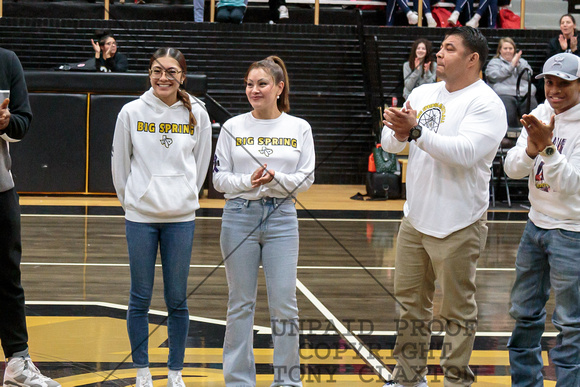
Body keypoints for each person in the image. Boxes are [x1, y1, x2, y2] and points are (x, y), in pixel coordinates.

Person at [381, 26, 506, 386]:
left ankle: (455, 379)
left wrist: (415, 130)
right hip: (415, 220)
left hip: (459, 222)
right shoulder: (422, 92)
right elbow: (391, 144)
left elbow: (464, 154)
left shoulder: (486, 103)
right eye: (440, 48)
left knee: (456, 312)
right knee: (410, 307)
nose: (439, 54)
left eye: (449, 49)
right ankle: (407, 376)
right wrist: (398, 130)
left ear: (472, 59)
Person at [111, 47, 212, 387]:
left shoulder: (197, 111)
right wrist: (132, 202)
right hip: (140, 217)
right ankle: (142, 371)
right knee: (139, 296)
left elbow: (200, 166)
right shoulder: (131, 112)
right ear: (149, 73)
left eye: (171, 71)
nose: (163, 77)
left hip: (181, 218)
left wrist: (185, 196)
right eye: (157, 70)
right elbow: (119, 164)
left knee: (177, 298)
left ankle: (174, 372)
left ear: (182, 76)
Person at [213, 55, 315, 387]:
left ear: (279, 87)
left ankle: (287, 381)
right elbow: (219, 180)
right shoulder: (232, 127)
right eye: (249, 84)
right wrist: (249, 182)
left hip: (282, 217)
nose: (254, 90)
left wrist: (275, 179)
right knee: (240, 303)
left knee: (285, 303)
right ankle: (239, 380)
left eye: (262, 83)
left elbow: (307, 178)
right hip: (239, 217)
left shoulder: (299, 127)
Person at [504, 52, 580, 386]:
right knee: (524, 314)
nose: (554, 90)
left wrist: (548, 149)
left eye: (563, 84)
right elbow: (512, 168)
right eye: (549, 82)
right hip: (535, 226)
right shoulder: (538, 114)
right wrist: (532, 150)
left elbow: (570, 185)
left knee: (571, 323)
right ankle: (525, 383)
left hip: (572, 233)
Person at [0, 48, 61, 387]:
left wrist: (8, 123)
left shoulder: (7, 62)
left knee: (8, 277)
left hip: (0, 187)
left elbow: (23, 120)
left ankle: (17, 363)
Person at [486, 37, 538, 128]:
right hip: (505, 93)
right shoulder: (494, 62)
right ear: (500, 50)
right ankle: (509, 136)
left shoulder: (522, 62)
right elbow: (493, 76)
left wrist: (518, 65)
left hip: (523, 93)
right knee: (508, 108)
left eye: (510, 48)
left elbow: (528, 76)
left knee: (532, 106)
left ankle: (533, 132)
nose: (508, 51)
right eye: (505, 48)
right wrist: (511, 66)